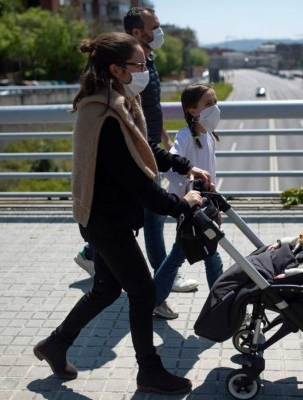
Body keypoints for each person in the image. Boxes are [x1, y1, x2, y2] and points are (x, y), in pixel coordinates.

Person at [33, 32, 201, 395]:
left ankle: (55, 345)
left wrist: (184, 166)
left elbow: (144, 150)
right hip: (105, 219)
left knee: (108, 289)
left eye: (145, 64)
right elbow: (136, 181)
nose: (145, 70)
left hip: (107, 217)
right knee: (142, 293)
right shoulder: (104, 113)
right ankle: (149, 371)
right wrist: (179, 205)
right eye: (139, 65)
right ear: (115, 68)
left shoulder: (120, 101)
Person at [74, 7, 203, 293]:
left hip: (146, 146)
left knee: (106, 291)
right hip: (118, 198)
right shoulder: (113, 102)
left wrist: (165, 143)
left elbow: (148, 112)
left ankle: (94, 254)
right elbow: (129, 160)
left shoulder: (143, 66)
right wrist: (181, 204)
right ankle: (161, 277)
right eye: (154, 26)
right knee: (152, 219)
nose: (160, 32)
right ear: (137, 32)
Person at [152, 84, 224, 319]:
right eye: (208, 104)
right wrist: (187, 190)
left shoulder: (208, 136)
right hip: (191, 210)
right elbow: (171, 164)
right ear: (192, 110)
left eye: (215, 102)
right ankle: (219, 306)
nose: (215, 108)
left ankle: (153, 301)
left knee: (181, 256)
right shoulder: (186, 135)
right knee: (207, 257)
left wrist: (216, 208)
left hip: (204, 209)